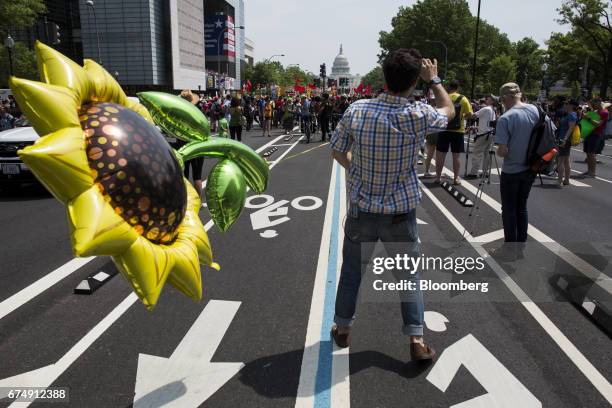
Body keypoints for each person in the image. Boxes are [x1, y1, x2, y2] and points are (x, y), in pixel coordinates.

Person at [330, 48, 454, 360]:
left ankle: (343, 329)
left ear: (384, 77)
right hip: (400, 213)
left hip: (362, 210)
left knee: (352, 273)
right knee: (409, 276)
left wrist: (356, 169)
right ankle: (415, 340)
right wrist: (434, 79)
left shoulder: (357, 110)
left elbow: (336, 150)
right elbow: (448, 109)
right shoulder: (418, 115)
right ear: (415, 80)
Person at [495, 83, 542, 242]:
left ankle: (510, 248)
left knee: (509, 210)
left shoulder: (506, 118)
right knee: (521, 207)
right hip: (531, 167)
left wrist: (498, 150)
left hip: (512, 170)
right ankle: (521, 244)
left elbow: (502, 151)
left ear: (505, 98)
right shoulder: (536, 110)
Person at [434, 80, 473, 185]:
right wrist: (461, 117)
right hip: (458, 130)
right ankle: (456, 178)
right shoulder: (463, 99)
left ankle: (438, 178)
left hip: (444, 129)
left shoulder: (443, 97)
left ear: (448, 87)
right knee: (456, 156)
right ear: (457, 87)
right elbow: (469, 114)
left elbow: (437, 111)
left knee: (440, 155)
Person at [178, 90, 204, 195]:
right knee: (197, 176)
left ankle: (188, 201)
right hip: (196, 145)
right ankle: (199, 201)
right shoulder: (198, 112)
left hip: (183, 145)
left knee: (185, 175)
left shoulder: (179, 113)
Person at [466, 95, 497, 179]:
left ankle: (473, 173)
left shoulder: (486, 109)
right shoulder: (493, 110)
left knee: (477, 154)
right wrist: (475, 127)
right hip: (489, 134)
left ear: (492, 101)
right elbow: (488, 124)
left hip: (483, 135)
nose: (487, 98)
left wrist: (468, 108)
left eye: (489, 98)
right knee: (487, 154)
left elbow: (473, 116)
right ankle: (485, 172)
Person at [583, 98, 608, 177]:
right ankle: (589, 170)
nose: (593, 105)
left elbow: (598, 124)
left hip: (596, 134)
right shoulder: (595, 111)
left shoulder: (604, 112)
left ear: (599, 103)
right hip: (589, 133)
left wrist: (588, 118)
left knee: (592, 153)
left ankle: (592, 172)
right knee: (588, 153)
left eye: (594, 104)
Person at [556, 99, 578, 187]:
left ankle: (559, 181)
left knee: (560, 160)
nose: (565, 105)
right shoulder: (569, 114)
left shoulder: (571, 115)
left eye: (567, 104)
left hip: (563, 139)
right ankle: (566, 180)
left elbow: (571, 128)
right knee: (565, 160)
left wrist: (564, 139)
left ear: (571, 105)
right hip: (563, 138)